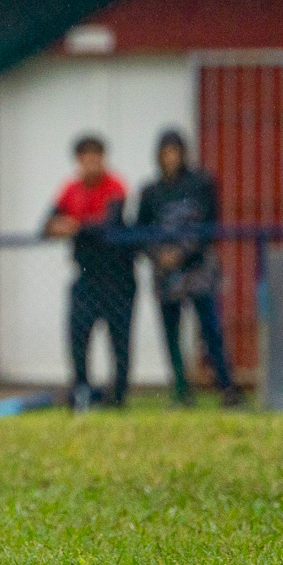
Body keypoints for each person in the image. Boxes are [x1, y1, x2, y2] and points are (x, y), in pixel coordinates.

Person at [137, 129, 242, 407]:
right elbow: (139, 232)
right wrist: (159, 255)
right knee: (171, 332)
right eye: (166, 152)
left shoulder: (201, 184)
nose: (171, 157)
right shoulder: (151, 192)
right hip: (165, 272)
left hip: (198, 269)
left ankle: (227, 387)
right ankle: (182, 391)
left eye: (175, 151)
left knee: (210, 330)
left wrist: (183, 253)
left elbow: (210, 225)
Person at [45, 135, 135, 411]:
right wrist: (63, 226)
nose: (91, 163)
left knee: (119, 338)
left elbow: (110, 223)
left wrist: (75, 226)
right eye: (85, 158)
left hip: (118, 276)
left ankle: (118, 396)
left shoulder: (115, 185)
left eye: (96, 157)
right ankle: (81, 390)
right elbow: (46, 226)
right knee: (78, 334)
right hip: (86, 274)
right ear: (78, 161)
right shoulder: (70, 189)